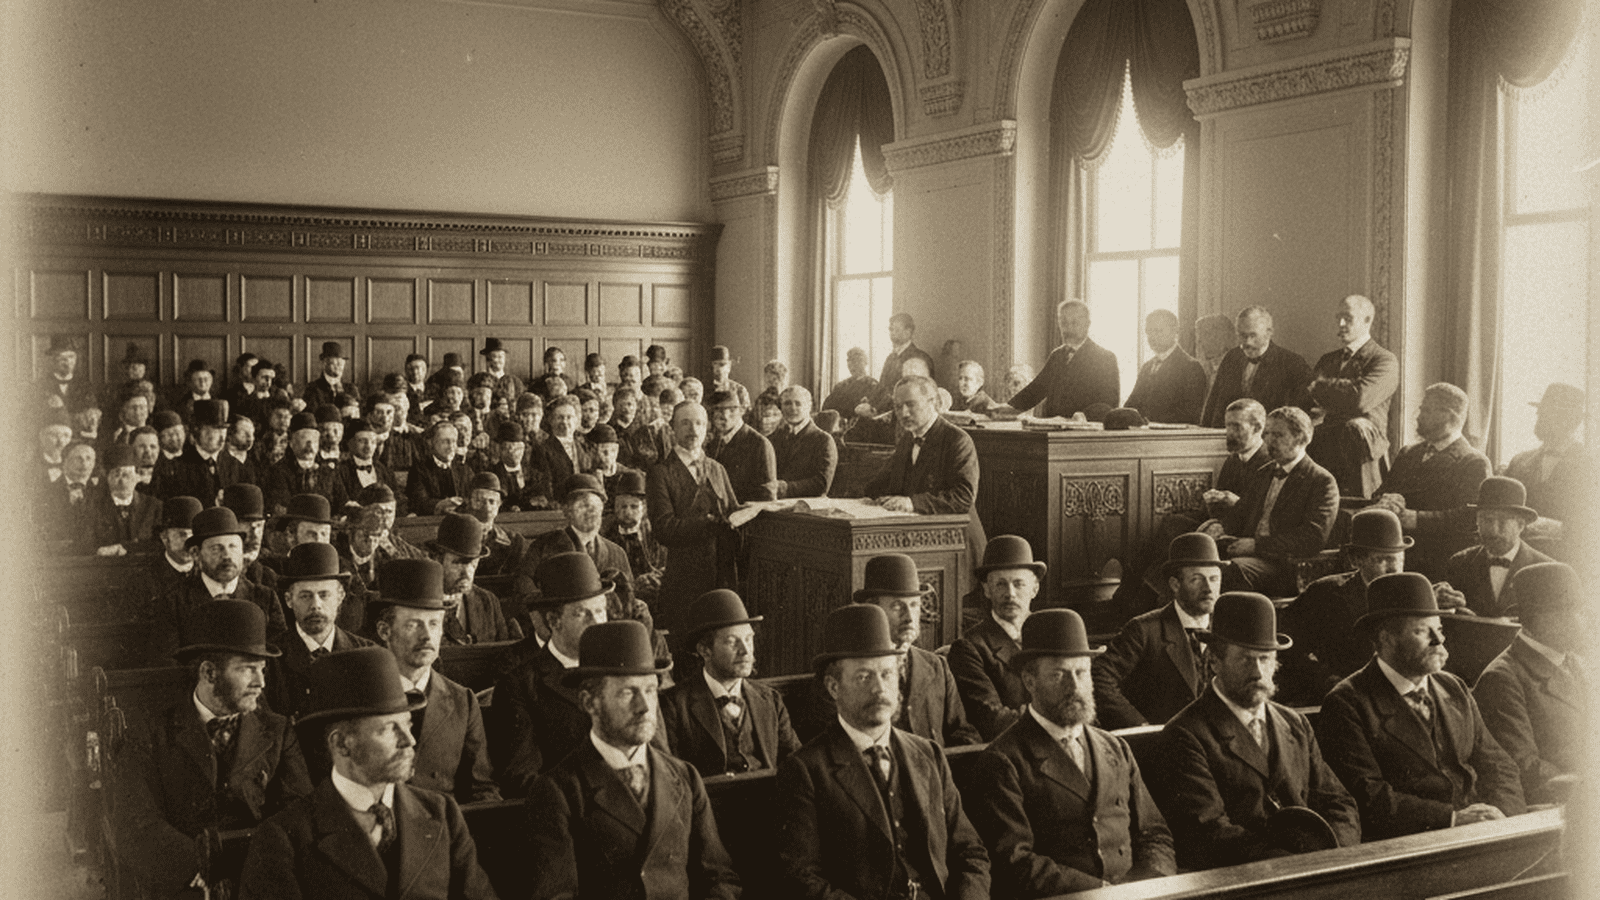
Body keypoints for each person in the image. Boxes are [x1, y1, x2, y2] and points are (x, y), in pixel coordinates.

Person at [239, 647, 497, 900]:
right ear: (341, 744)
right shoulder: (284, 838)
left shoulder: (441, 813)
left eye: (407, 725)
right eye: (388, 729)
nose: (409, 741)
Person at [776, 603, 991, 900]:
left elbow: (971, 851)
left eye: (887, 675)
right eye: (864, 677)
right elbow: (802, 877)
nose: (880, 689)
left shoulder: (928, 754)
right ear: (833, 687)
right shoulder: (807, 770)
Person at [527, 619, 740, 900]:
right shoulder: (559, 790)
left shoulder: (685, 777)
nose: (644, 707)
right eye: (628, 692)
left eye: (650, 690)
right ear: (590, 702)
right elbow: (557, 895)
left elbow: (718, 876)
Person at [965, 609, 1174, 895]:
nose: (1075, 687)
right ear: (1030, 681)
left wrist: (1152, 883)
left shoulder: (1114, 747)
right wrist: (1101, 892)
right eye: (1059, 675)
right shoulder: (1004, 761)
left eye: (1081, 673)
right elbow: (1015, 861)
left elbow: (1154, 833)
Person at [115, 600, 312, 899]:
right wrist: (200, 869)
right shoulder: (150, 731)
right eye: (247, 670)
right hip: (183, 882)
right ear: (209, 673)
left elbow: (297, 813)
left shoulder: (278, 731)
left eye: (262, 669)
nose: (260, 682)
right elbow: (137, 822)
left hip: (259, 876)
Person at [1156, 592, 1360, 869]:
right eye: (1244, 659)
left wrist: (1335, 854)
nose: (1257, 672)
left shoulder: (1294, 724)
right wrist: (1291, 865)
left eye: (1265, 659)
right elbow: (1210, 832)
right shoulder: (1186, 734)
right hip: (1243, 880)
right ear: (1214, 661)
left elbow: (1339, 802)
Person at [1316, 572, 1526, 839]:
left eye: (1438, 629)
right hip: (1413, 844)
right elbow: (1370, 798)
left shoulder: (1453, 687)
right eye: (1421, 631)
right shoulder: (1347, 704)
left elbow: (1498, 764)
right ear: (1386, 638)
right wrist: (1452, 820)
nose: (1438, 640)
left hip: (1482, 829)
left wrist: (1505, 820)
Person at [494, 552, 667, 795]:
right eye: (581, 613)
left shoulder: (630, 671)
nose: (596, 621)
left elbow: (661, 757)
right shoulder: (521, 685)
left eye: (599, 611)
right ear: (554, 621)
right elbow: (521, 778)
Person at [369, 558, 501, 803]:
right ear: (385, 631)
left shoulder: (463, 701)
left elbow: (482, 788)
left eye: (434, 624)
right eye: (413, 624)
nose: (427, 635)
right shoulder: (361, 697)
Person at [1278, 508, 1420, 705]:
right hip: (1342, 700)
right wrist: (1326, 680)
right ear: (1356, 560)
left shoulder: (1415, 597)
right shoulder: (1325, 594)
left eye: (1398, 559)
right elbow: (1287, 645)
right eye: (1382, 559)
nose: (1393, 569)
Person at [837, 554, 980, 747]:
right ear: (872, 608)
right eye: (897, 606)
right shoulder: (847, 670)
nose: (910, 618)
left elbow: (962, 732)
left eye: (914, 605)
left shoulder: (936, 666)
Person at [1474, 562, 1587, 806]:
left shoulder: (1580, 664)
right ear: (1541, 619)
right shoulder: (1502, 679)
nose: (1588, 622)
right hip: (1555, 806)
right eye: (1577, 612)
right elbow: (1524, 767)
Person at [659, 589, 802, 776]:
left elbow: (797, 762)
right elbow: (674, 779)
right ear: (705, 650)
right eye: (732, 642)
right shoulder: (674, 705)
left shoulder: (770, 700)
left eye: (749, 639)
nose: (746, 651)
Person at [1203, 406, 1338, 596]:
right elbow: (1239, 516)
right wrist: (1220, 528)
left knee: (1229, 571)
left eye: (1278, 435)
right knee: (1195, 554)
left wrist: (1257, 546)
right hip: (1248, 555)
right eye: (1267, 434)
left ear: (1301, 438)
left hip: (1286, 566)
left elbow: (1312, 539)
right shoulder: (1264, 473)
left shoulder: (1321, 481)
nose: (1268, 441)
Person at [1093, 533, 1222, 728]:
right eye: (1197, 579)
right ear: (1175, 585)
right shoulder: (1144, 630)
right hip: (1164, 746)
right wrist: (1141, 727)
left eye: (1214, 579)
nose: (1209, 589)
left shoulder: (1228, 628)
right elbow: (1099, 677)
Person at [1368, 383, 1493, 580]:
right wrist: (1386, 500)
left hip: (1441, 562)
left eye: (1426, 410)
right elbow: (1380, 492)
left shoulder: (1473, 462)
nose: (1418, 416)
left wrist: (1416, 518)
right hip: (1397, 556)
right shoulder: (1408, 453)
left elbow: (1471, 517)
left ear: (1449, 416)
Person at [862, 375, 986, 562]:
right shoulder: (907, 440)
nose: (903, 413)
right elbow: (881, 483)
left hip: (958, 547)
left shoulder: (957, 440)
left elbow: (963, 497)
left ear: (933, 402)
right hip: (923, 541)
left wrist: (912, 503)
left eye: (910, 404)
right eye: (897, 406)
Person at [648, 401, 741, 637]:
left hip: (720, 578)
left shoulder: (717, 469)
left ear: (707, 428)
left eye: (699, 423)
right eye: (685, 423)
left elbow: (732, 513)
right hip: (683, 581)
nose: (693, 429)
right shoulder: (661, 473)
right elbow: (664, 528)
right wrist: (709, 523)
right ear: (672, 429)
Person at [150, 506, 287, 664]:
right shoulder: (174, 602)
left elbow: (278, 661)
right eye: (216, 548)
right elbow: (166, 664)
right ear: (196, 553)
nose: (227, 556)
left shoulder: (264, 598)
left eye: (233, 547)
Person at [512, 473, 638, 635]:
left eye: (595, 507)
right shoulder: (544, 546)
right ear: (566, 511)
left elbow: (628, 598)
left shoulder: (616, 552)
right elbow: (523, 585)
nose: (590, 512)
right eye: (582, 506)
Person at [264, 542, 376, 723]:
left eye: (324, 595)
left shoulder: (366, 655)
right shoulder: (270, 659)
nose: (316, 605)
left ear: (340, 596)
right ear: (288, 600)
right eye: (305, 596)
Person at [947, 536, 1043, 741]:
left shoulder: (1052, 634)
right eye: (1000, 584)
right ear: (986, 590)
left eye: (1018, 584)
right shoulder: (969, 648)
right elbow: (993, 720)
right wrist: (1055, 723)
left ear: (1034, 589)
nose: (1010, 594)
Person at [1306, 294, 1399, 497]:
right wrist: (1340, 393)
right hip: (1326, 442)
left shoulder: (1384, 361)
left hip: (1362, 447)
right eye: (1338, 318)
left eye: (1348, 318)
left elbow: (1359, 400)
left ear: (1367, 320)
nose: (1340, 324)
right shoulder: (1327, 360)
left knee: (1355, 426)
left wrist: (1324, 390)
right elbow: (1310, 398)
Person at [1439, 477, 1551, 617]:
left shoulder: (1546, 570)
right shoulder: (1459, 563)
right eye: (1486, 520)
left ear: (1521, 525)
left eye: (1503, 521)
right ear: (1477, 521)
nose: (1493, 530)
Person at [997, 300, 1120, 420]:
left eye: (1074, 323)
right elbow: (1035, 391)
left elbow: (1109, 404)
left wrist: (1082, 417)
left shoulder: (1105, 359)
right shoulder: (1057, 356)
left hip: (1083, 434)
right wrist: (1002, 409)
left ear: (1087, 324)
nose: (1068, 329)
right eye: (1064, 323)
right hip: (1051, 430)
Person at [1200, 306, 1312, 428]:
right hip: (1227, 438)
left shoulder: (1292, 364)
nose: (1248, 342)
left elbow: (1300, 417)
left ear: (1269, 333)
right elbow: (1213, 405)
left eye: (1253, 336)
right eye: (1242, 336)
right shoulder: (1231, 357)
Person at [1504, 382, 1587, 534]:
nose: (1540, 418)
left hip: (1567, 554)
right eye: (1540, 412)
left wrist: (1557, 529)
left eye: (1549, 414)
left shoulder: (1591, 465)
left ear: (1572, 420)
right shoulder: (1519, 462)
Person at [425, 512, 515, 645]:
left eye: (473, 563)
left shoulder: (488, 602)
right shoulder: (422, 603)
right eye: (458, 563)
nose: (467, 573)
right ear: (438, 559)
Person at [1124, 309, 1207, 424]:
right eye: (1149, 332)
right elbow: (1131, 405)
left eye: (1158, 331)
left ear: (1175, 332)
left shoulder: (1191, 368)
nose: (1152, 337)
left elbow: (1190, 414)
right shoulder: (1147, 367)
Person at [84, 442, 162, 556]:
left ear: (137, 476)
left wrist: (127, 548)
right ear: (107, 477)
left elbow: (160, 543)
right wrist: (98, 551)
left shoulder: (154, 506)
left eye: (127, 475)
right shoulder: (92, 506)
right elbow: (85, 544)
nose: (122, 481)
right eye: (116, 475)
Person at [603, 470, 666, 605]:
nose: (628, 512)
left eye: (634, 506)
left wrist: (652, 578)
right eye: (623, 506)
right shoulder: (606, 534)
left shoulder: (656, 532)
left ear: (643, 509)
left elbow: (667, 566)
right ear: (615, 508)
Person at [705, 389, 778, 504]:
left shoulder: (759, 444)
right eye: (718, 409)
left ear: (742, 410)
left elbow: (767, 496)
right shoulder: (713, 444)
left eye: (732, 409)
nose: (725, 415)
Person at [769, 385, 837, 499]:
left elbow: (821, 484)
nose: (792, 408)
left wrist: (785, 488)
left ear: (808, 407)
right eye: (787, 403)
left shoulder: (824, 440)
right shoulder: (773, 439)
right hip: (773, 504)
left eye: (798, 403)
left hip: (807, 508)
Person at [262, 412, 336, 514]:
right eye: (304, 438)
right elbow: (281, 508)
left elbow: (339, 503)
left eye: (314, 439)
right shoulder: (277, 472)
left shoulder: (328, 471)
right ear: (292, 443)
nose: (310, 444)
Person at [407, 420, 473, 515]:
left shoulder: (464, 470)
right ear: (432, 443)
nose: (451, 447)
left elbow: (472, 497)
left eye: (453, 441)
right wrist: (441, 505)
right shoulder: (419, 470)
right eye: (445, 442)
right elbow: (419, 502)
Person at [488, 421, 553, 512]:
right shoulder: (492, 475)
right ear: (500, 449)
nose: (512, 452)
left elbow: (545, 501)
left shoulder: (536, 476)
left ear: (523, 449)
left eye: (517, 448)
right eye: (507, 447)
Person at [822, 346, 879, 419]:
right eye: (850, 361)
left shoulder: (872, 385)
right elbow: (827, 409)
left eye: (857, 360)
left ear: (865, 362)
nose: (853, 365)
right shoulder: (840, 386)